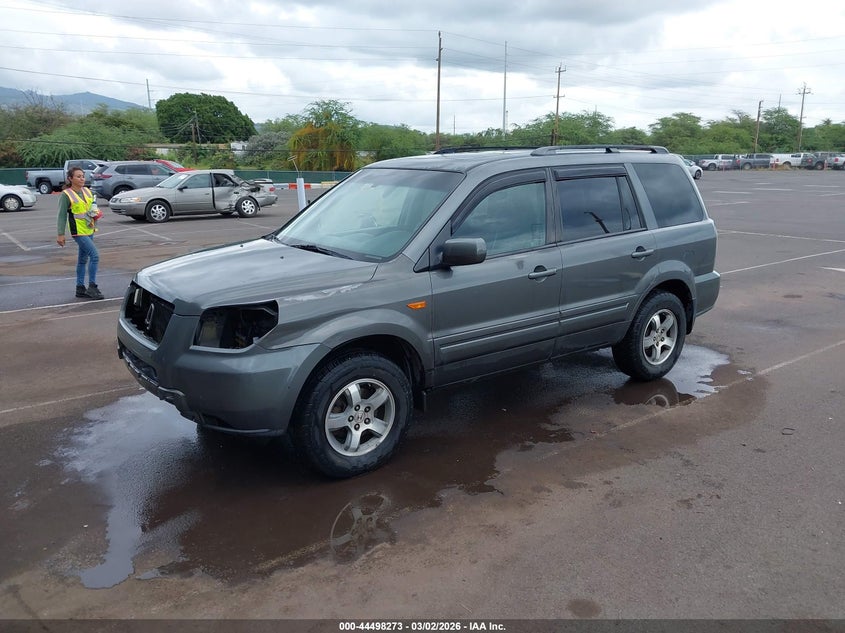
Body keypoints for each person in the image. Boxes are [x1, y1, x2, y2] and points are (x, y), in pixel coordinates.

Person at [56, 166, 104, 300]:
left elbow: (91, 208)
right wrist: (60, 234)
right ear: (70, 179)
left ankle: (80, 288)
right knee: (94, 256)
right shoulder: (66, 195)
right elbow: (61, 216)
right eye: (78, 176)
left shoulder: (88, 192)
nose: (82, 178)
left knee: (82, 260)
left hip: (89, 229)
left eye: (83, 176)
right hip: (78, 232)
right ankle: (92, 287)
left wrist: (97, 213)